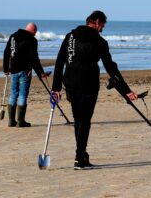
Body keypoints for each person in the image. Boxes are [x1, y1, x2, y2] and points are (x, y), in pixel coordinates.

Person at [51, 10, 137, 169]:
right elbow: (111, 68)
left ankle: (81, 155)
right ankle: (79, 158)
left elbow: (59, 62)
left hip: (70, 83)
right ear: (96, 22)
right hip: (88, 85)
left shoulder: (70, 37)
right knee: (84, 122)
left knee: (79, 120)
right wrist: (126, 91)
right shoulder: (99, 42)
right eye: (102, 25)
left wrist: (56, 88)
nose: (102, 28)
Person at [3, 22, 47, 127]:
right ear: (33, 31)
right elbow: (34, 58)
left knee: (14, 93)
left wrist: (6, 68)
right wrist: (41, 72)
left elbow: (6, 52)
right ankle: (20, 121)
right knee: (22, 94)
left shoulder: (13, 37)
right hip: (24, 71)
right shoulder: (32, 40)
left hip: (13, 69)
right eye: (35, 32)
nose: (35, 34)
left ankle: (11, 120)